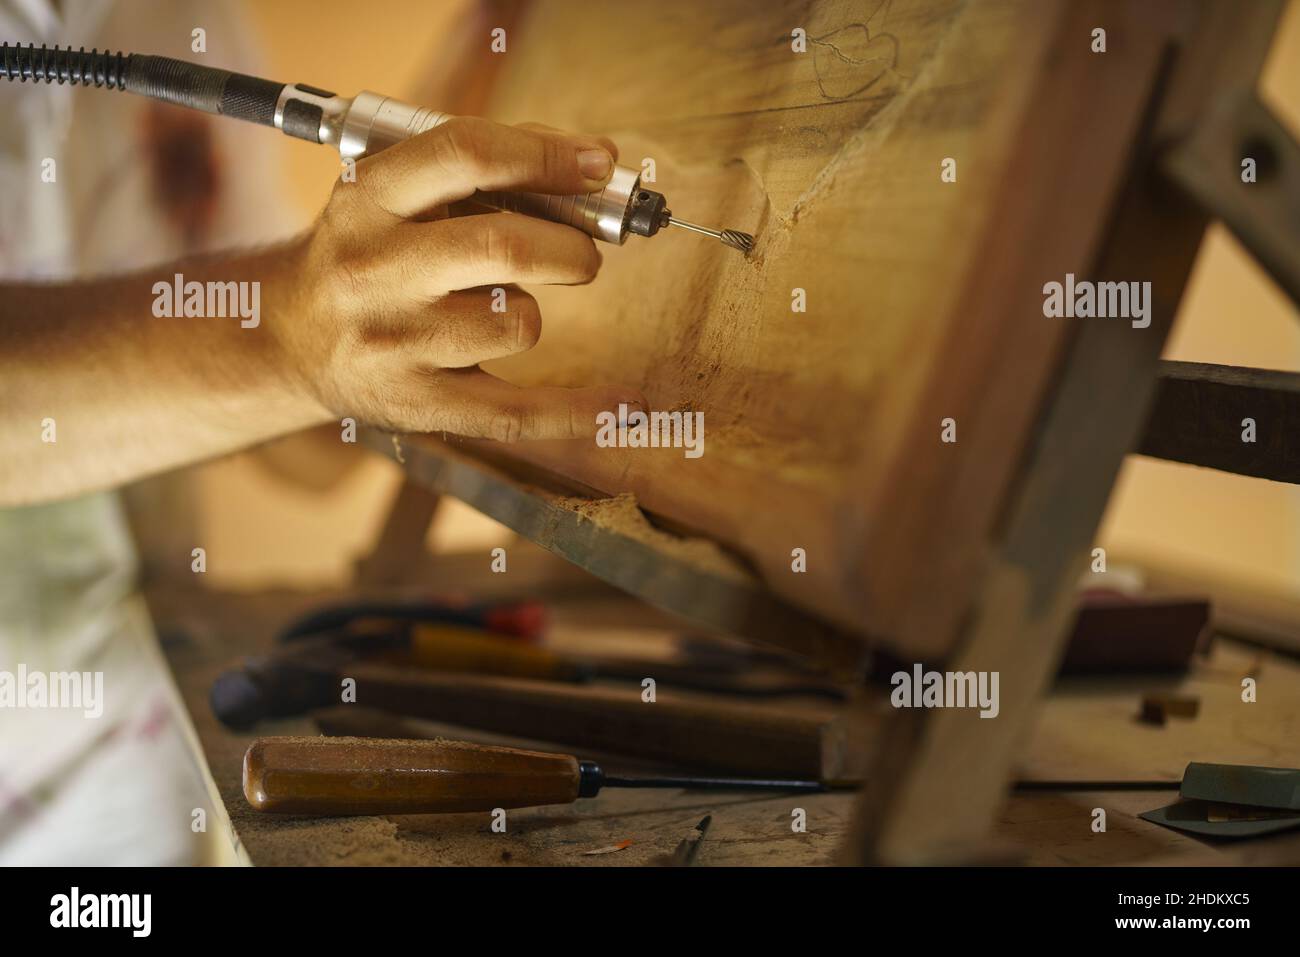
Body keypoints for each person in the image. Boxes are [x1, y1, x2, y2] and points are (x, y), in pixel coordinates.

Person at [0, 0, 638, 864]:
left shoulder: (183, 24)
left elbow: (296, 448)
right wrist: (290, 329)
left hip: (145, 724)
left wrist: (382, 287)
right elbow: (281, 344)